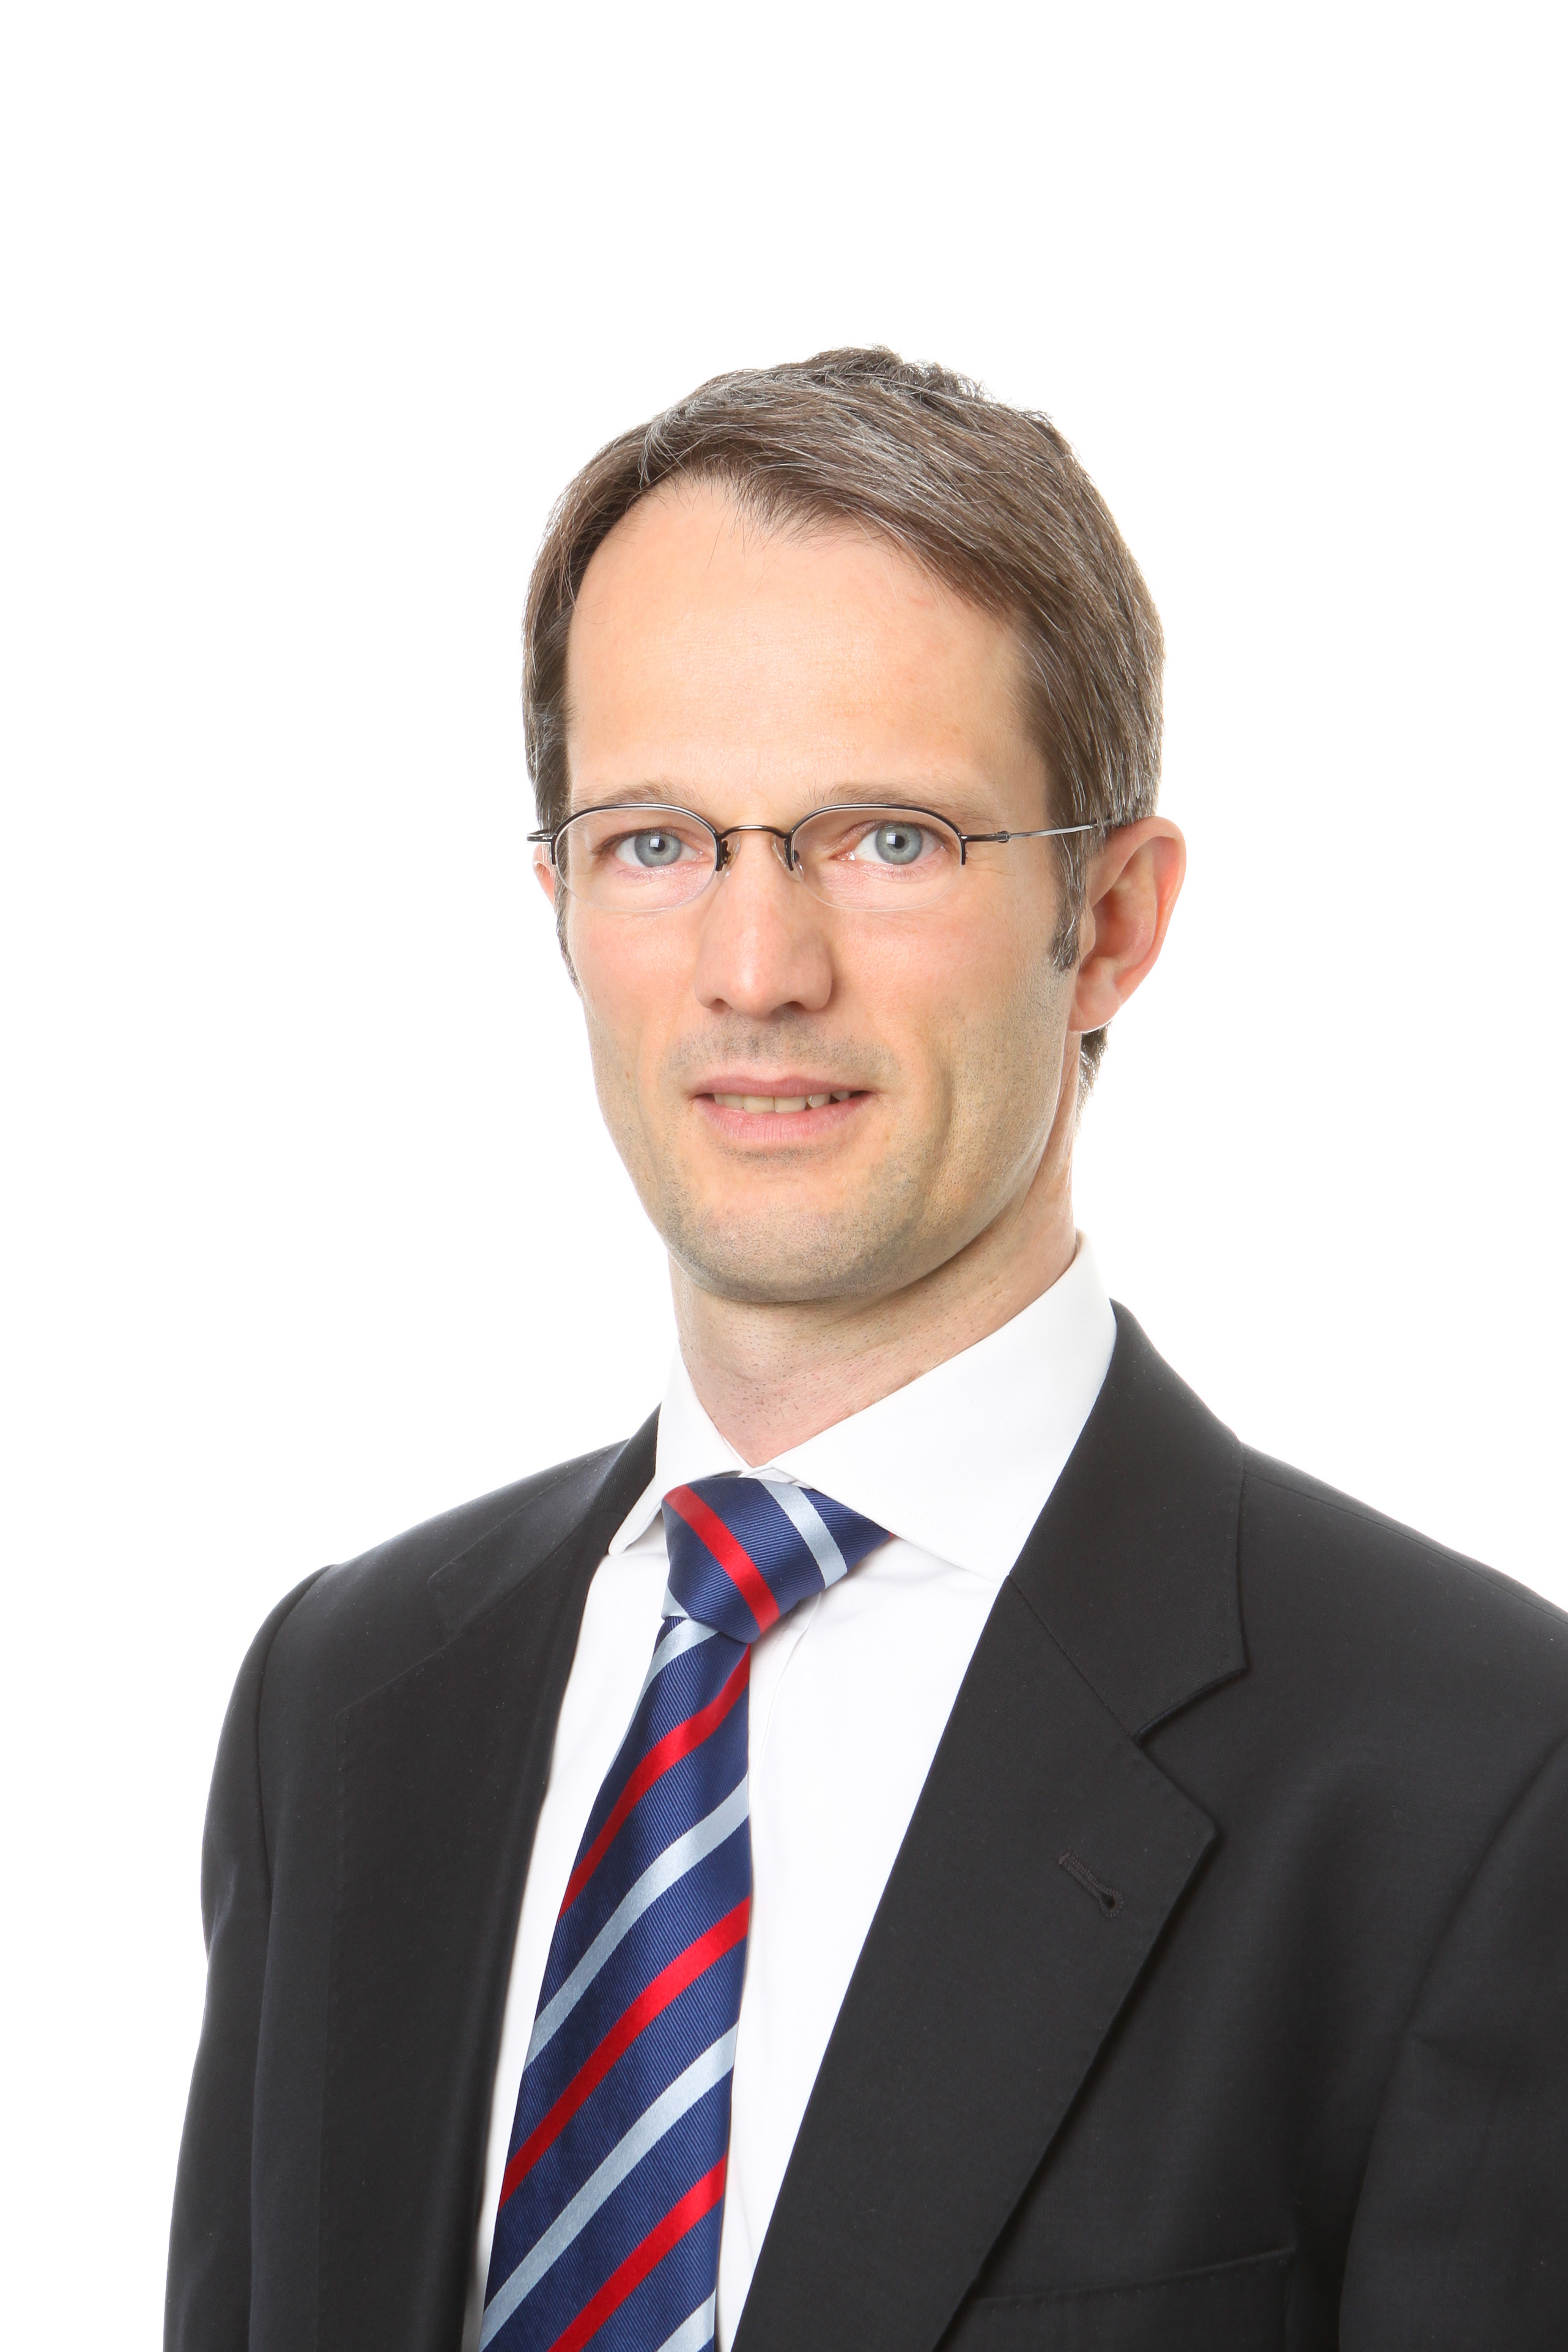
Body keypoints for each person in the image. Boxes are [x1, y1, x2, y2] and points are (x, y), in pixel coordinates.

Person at [166, 350, 1568, 2352]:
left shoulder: (1480, 1778)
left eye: (887, 840)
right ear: (559, 901)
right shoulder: (345, 1701)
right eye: (658, 843)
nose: (756, 969)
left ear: (1109, 921)